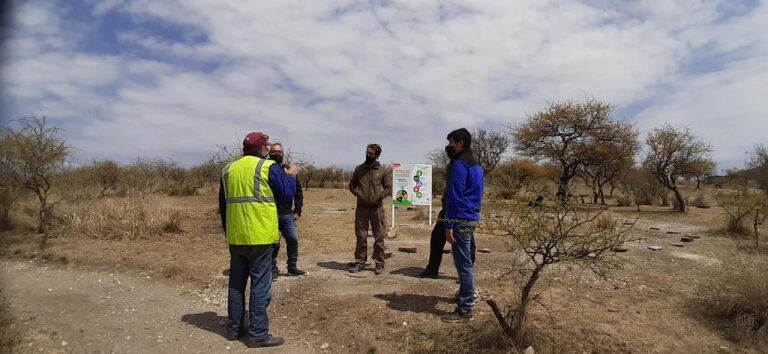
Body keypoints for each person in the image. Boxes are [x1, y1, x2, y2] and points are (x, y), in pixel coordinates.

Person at [219, 131, 297, 347]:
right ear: (262, 149)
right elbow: (286, 196)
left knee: (236, 284)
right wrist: (290, 176)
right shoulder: (267, 167)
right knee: (260, 286)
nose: (267, 150)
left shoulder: (228, 170)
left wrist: (229, 233)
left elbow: (223, 206)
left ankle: (234, 329)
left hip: (236, 238)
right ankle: (258, 334)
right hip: (260, 237)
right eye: (266, 147)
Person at [439, 128, 484, 323]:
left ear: (459, 144)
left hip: (460, 218)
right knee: (466, 262)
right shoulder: (477, 166)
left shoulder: (459, 165)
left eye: (451, 142)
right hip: (471, 216)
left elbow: (454, 197)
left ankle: (465, 308)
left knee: (463, 263)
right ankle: (466, 295)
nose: (449, 146)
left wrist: (449, 224)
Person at [348, 143, 391, 275]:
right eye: (367, 152)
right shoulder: (359, 169)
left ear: (377, 155)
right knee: (361, 236)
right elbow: (352, 185)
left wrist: (379, 196)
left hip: (377, 209)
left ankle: (379, 264)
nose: (368, 155)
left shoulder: (382, 170)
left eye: (371, 154)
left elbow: (388, 187)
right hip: (361, 209)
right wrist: (359, 194)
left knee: (379, 237)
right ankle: (360, 263)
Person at [268, 142, 306, 281]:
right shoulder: (266, 169)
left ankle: (292, 267)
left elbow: (298, 192)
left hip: (286, 213)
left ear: (283, 154)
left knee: (293, 239)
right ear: (269, 153)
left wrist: (297, 210)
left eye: (279, 151)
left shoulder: (289, 170)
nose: (276, 153)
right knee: (272, 243)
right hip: (269, 213)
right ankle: (272, 269)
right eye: (274, 151)